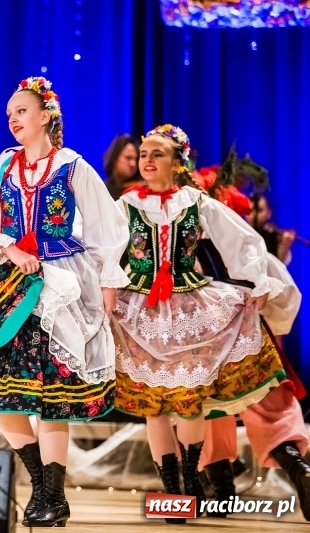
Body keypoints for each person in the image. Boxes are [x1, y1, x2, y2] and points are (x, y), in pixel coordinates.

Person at [0, 76, 129, 528]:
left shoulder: (72, 166)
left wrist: (105, 291)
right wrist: (8, 247)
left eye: (22, 111)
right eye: (9, 114)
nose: (13, 119)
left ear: (46, 114)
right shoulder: (2, 167)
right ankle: (40, 485)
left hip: (60, 286)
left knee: (51, 395)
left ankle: (54, 495)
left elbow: (109, 230)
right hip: (10, 287)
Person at [111, 124, 286, 523]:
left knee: (189, 403)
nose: (147, 161)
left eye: (157, 154)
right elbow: (103, 247)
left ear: (178, 162)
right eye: (143, 154)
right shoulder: (127, 204)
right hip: (140, 309)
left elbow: (240, 240)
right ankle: (171, 490)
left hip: (189, 307)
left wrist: (258, 279)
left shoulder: (196, 202)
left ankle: (189, 482)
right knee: (154, 408)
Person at [189, 161, 309, 521]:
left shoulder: (190, 219)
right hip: (245, 322)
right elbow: (281, 287)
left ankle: (221, 489)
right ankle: (298, 467)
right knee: (267, 401)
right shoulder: (248, 241)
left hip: (208, 324)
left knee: (210, 404)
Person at [248, 193, 296, 265]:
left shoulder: (273, 235)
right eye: (250, 210)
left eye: (259, 210)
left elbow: (279, 265)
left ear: (268, 213)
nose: (254, 214)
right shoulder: (238, 233)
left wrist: (285, 244)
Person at [102, 134, 142, 201]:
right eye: (128, 158)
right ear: (114, 158)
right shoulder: (101, 189)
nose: (133, 164)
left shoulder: (141, 191)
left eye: (136, 159)